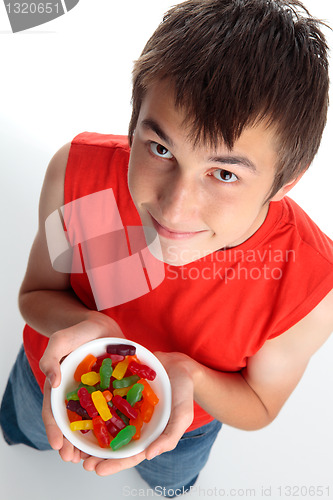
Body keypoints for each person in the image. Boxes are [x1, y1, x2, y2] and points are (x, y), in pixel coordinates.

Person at [1, 0, 333, 497]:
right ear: (133, 122)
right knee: (24, 429)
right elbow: (35, 295)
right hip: (46, 372)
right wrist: (89, 326)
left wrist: (187, 373)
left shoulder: (310, 282)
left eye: (224, 174)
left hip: (185, 427)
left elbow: (260, 406)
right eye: (160, 149)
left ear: (286, 182)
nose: (174, 210)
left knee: (168, 479)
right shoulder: (77, 174)